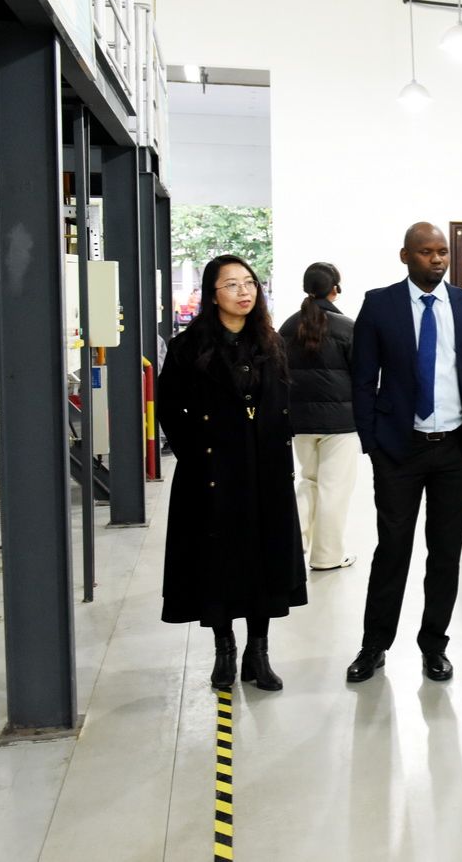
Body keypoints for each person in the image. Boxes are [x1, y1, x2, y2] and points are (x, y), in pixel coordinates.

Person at [345, 223, 462, 684]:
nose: (437, 259)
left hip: (456, 449)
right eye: (427, 252)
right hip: (399, 449)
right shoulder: (380, 304)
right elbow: (362, 378)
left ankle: (434, 646)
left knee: (445, 554)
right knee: (392, 549)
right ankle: (374, 644)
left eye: (442, 251)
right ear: (405, 256)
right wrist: (372, 442)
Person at [156, 254, 307, 692]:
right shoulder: (189, 347)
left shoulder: (271, 342)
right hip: (211, 472)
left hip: (265, 470)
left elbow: (281, 403)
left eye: (249, 283)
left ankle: (258, 652)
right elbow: (169, 408)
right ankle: (224, 648)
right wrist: (195, 453)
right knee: (216, 560)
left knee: (265, 559)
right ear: (212, 294)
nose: (244, 292)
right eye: (232, 285)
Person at [278, 262, 360, 571]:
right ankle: (327, 557)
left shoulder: (288, 327)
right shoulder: (347, 327)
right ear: (335, 289)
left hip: (299, 422)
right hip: (340, 423)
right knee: (333, 489)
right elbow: (362, 376)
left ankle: (292, 548)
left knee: (308, 481)